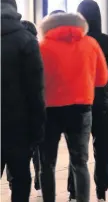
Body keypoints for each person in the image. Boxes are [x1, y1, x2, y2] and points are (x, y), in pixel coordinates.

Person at [39, 11, 108, 202]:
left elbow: (36, 80)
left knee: (47, 163)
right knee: (80, 162)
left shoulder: (43, 46)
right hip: (81, 107)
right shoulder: (90, 44)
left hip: (50, 109)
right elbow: (102, 79)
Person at [63, 0, 108, 202]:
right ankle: (101, 193)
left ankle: (74, 193)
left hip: (76, 103)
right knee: (103, 151)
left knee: (77, 152)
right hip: (103, 103)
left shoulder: (73, 42)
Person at [1, 0, 46, 202]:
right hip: (19, 128)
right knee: (20, 180)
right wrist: (37, 130)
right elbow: (36, 90)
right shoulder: (26, 40)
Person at [5, 20, 42, 197]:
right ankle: (38, 179)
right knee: (30, 153)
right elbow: (37, 88)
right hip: (23, 117)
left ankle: (13, 182)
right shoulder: (31, 48)